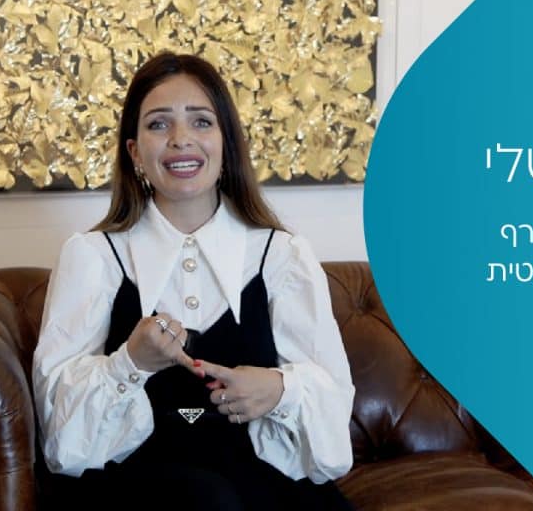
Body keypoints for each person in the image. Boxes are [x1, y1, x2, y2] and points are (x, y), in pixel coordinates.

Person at [32, 52, 356, 510]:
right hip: (133, 485)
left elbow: (332, 426)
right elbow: (60, 439)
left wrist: (280, 390)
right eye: (159, 124)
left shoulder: (283, 256)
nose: (181, 139)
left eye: (201, 122)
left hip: (258, 480)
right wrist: (129, 363)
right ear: (134, 151)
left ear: (226, 143)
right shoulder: (92, 257)